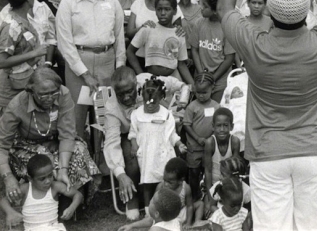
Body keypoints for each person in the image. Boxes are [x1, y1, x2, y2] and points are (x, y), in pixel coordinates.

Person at [218, 0, 317, 230]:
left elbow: (225, 8)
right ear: (307, 12)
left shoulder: (255, 43)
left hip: (268, 153)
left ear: (269, 10)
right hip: (312, 151)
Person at [0, 68, 100, 209]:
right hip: (26, 145)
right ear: (31, 91)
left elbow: (67, 134)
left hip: (56, 140)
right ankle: (44, 202)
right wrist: (8, 177)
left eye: (54, 92)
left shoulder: (63, 93)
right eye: (43, 94)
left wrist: (63, 170)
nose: (50, 97)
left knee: (79, 150)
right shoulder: (16, 106)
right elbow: (2, 146)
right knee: (45, 161)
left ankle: (72, 199)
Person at [103, 66, 189, 220]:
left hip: (156, 129)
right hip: (130, 135)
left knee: (169, 153)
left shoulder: (147, 81)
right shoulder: (111, 107)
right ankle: (133, 198)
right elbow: (111, 142)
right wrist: (120, 174)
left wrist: (181, 101)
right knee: (131, 157)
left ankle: (167, 196)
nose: (127, 97)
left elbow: (176, 84)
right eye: (120, 94)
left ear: (137, 84)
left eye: (130, 91)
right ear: (114, 91)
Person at [56, 0, 126, 138]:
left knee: (106, 115)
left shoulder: (111, 2)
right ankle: (79, 156)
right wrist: (84, 74)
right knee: (76, 116)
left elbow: (119, 37)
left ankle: (103, 158)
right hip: (78, 62)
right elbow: (65, 43)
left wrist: (119, 68)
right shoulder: (68, 3)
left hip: (106, 61)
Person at [128, 77, 187, 207]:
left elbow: (172, 134)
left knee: (165, 180)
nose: (149, 104)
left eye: (153, 102)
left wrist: (179, 144)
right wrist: (133, 145)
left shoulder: (166, 114)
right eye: (146, 102)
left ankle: (166, 204)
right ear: (142, 96)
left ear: (161, 98)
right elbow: (133, 133)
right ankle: (149, 208)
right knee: (148, 180)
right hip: (146, 152)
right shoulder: (136, 114)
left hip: (163, 151)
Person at [0, 154, 83, 230]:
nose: (47, 181)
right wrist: (10, 212)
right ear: (30, 179)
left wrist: (71, 208)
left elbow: (77, 195)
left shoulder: (55, 186)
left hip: (53, 228)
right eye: (42, 178)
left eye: (50, 175)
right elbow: (3, 200)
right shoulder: (26, 189)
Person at [0, 0, 49, 109]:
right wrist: (35, 53)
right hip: (11, 92)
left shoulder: (23, 20)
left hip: (26, 85)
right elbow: (2, 61)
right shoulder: (12, 26)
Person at [127, 0, 192, 84]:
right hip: (151, 79)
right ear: (155, 10)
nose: (163, 13)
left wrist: (192, 85)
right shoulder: (148, 28)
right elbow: (130, 52)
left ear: (175, 11)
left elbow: (181, 64)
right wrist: (141, 74)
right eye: (159, 9)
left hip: (173, 79)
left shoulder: (179, 33)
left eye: (167, 9)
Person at [119, 157, 194, 229]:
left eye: (170, 182)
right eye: (164, 180)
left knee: (197, 205)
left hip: (179, 215)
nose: (166, 184)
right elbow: (153, 209)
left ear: (180, 181)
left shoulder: (186, 188)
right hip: (165, 216)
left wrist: (188, 223)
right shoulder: (160, 187)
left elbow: (190, 206)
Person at [189, 0, 236, 102]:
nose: (201, 8)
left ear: (216, 10)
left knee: (215, 110)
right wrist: (201, 75)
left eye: (205, 6)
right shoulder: (198, 24)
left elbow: (229, 58)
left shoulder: (227, 27)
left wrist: (212, 79)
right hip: (201, 80)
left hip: (220, 82)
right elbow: (194, 50)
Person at [183, 73, 219, 200]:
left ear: (212, 89)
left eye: (205, 92)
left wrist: (211, 139)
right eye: (198, 92)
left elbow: (217, 124)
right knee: (193, 172)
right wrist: (197, 138)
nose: (201, 95)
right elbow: (186, 125)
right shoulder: (192, 106)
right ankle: (194, 197)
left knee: (208, 172)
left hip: (209, 148)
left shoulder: (216, 106)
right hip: (194, 147)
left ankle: (208, 196)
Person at [202, 108, 241, 212]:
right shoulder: (210, 143)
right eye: (219, 126)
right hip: (213, 184)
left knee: (232, 209)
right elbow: (208, 171)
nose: (222, 129)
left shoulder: (235, 141)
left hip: (229, 184)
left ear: (231, 126)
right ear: (213, 126)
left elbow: (235, 170)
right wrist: (211, 197)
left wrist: (232, 192)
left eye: (225, 125)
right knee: (210, 210)